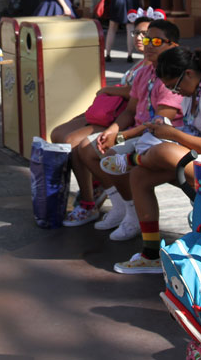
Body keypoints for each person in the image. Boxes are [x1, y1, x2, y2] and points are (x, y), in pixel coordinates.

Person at [101, 45, 201, 274]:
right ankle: (150, 254)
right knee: (140, 177)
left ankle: (133, 159)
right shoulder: (194, 93)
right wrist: (164, 130)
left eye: (175, 86)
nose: (175, 92)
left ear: (189, 74)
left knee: (163, 152)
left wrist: (171, 135)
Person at [76, 19, 183, 240]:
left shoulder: (171, 76)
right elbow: (130, 111)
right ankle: (122, 206)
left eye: (156, 41)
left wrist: (122, 136)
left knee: (114, 157)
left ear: (172, 46)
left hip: (162, 138)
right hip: (139, 133)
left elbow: (162, 120)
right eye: (147, 39)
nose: (149, 44)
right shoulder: (145, 72)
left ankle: (133, 215)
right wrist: (112, 130)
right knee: (87, 149)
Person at [55, 11, 156, 228]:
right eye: (136, 33)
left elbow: (134, 95)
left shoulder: (153, 66)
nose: (139, 38)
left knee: (75, 144)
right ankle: (98, 187)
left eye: (145, 35)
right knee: (58, 134)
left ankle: (90, 199)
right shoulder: (141, 64)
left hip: (129, 121)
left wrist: (108, 89)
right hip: (115, 112)